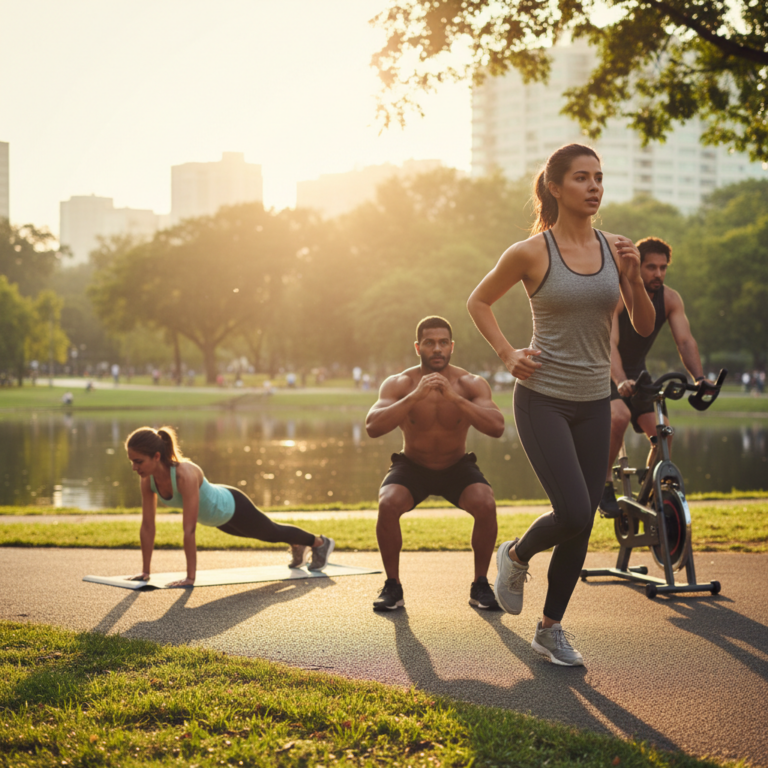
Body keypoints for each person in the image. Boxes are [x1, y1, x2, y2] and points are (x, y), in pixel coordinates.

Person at [467, 143, 655, 666]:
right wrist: (507, 353)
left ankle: (550, 629)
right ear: (554, 187)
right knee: (573, 508)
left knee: (583, 520)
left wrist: (634, 279)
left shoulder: (614, 250)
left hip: (594, 401)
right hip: (543, 398)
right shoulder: (532, 252)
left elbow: (641, 326)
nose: (594, 186)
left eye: (598, 177)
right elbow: (477, 301)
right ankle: (516, 554)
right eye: (581, 178)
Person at [365, 315, 505, 612]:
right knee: (387, 503)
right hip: (413, 465)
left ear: (452, 346)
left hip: (456, 466)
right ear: (418, 347)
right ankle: (393, 586)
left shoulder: (470, 383)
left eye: (443, 342)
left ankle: (480, 583)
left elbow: (497, 427)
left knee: (486, 503)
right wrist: (415, 396)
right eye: (430, 343)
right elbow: (373, 427)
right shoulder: (400, 383)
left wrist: (455, 398)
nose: (437, 348)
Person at [124, 426, 335, 587]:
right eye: (131, 462)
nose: (134, 468)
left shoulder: (184, 475)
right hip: (219, 520)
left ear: (157, 456)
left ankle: (319, 543)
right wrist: (145, 572)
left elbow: (189, 529)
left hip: (233, 506)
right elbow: (148, 527)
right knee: (266, 534)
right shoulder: (147, 480)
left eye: (138, 461)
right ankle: (298, 545)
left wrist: (190, 577)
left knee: (272, 532)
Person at [600, 237, 716, 517]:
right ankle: (602, 485)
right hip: (606, 369)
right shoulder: (616, 293)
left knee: (665, 435)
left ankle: (648, 492)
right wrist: (619, 381)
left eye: (663, 268)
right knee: (618, 417)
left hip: (638, 373)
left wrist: (699, 379)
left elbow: (685, 342)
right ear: (636, 266)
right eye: (651, 267)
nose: (658, 274)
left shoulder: (670, 299)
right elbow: (609, 343)